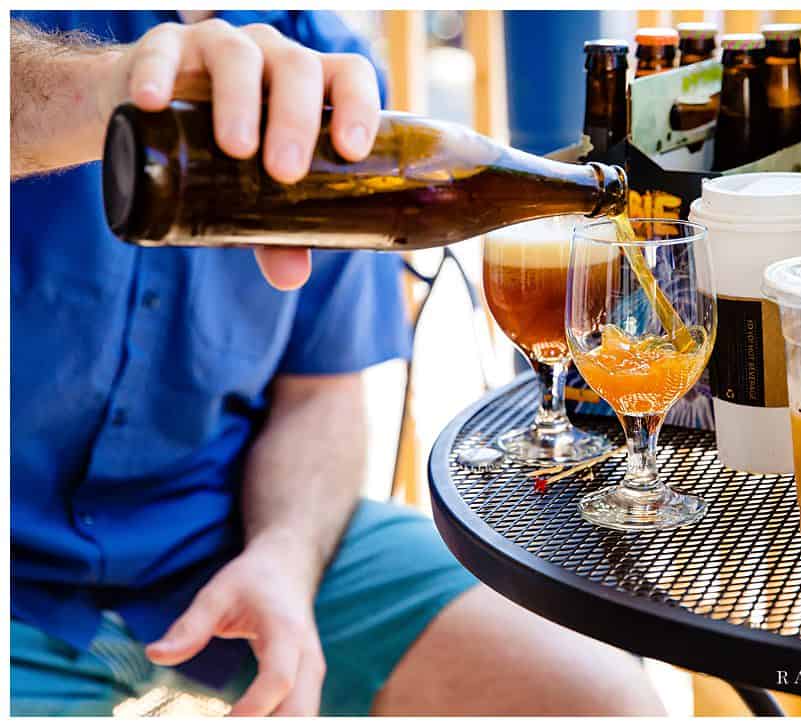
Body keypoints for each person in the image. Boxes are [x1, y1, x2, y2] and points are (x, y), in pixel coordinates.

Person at [10, 10, 665, 717]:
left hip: (222, 529)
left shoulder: (331, 68)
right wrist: (107, 90)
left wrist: (286, 554)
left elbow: (322, 394)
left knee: (597, 695)